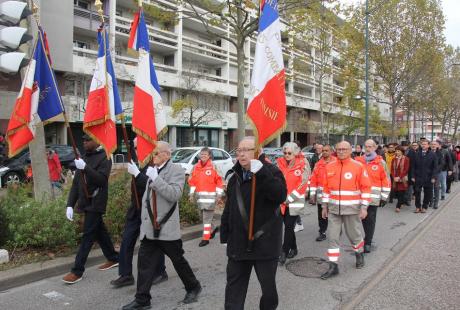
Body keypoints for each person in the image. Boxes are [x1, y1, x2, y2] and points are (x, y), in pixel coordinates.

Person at [122, 141, 202, 310]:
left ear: (167, 154)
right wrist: (138, 175)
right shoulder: (152, 169)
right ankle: (142, 300)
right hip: (150, 228)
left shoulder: (177, 170)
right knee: (144, 265)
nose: (153, 156)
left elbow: (174, 194)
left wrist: (155, 178)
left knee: (178, 261)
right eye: (153, 153)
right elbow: (147, 194)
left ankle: (193, 286)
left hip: (166, 228)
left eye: (157, 153)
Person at [221, 136, 287, 310]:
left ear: (258, 152)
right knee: (234, 288)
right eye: (239, 150)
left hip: (264, 244)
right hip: (238, 244)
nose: (241, 155)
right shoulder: (235, 176)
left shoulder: (272, 171)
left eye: (246, 150)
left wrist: (262, 172)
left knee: (268, 290)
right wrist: (225, 235)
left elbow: (280, 195)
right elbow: (230, 207)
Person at [110, 138, 167, 289]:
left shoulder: (154, 164)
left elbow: (152, 185)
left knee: (154, 242)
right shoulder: (138, 162)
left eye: (137, 147)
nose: (135, 150)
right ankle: (126, 275)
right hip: (135, 209)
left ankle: (161, 271)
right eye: (134, 148)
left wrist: (137, 174)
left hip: (149, 209)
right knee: (127, 241)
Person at [62, 134, 119, 284]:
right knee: (99, 231)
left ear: (97, 140)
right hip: (85, 201)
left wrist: (85, 168)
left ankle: (77, 271)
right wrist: (70, 204)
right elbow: (76, 184)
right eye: (83, 140)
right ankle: (113, 258)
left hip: (96, 201)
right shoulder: (84, 157)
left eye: (88, 140)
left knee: (88, 235)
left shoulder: (105, 157)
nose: (85, 142)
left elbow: (101, 180)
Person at [320, 141, 371, 280]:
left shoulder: (358, 166)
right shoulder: (329, 166)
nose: (341, 151)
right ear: (335, 151)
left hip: (352, 209)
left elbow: (366, 188)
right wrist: (324, 206)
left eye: (344, 149)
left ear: (350, 150)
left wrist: (364, 207)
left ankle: (359, 253)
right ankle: (333, 266)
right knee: (332, 237)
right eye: (338, 149)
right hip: (333, 210)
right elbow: (325, 188)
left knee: (354, 235)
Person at [356, 139, 391, 253]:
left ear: (375, 148)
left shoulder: (381, 163)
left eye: (370, 146)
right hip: (358, 197)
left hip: (373, 198)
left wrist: (384, 197)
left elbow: (386, 180)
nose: (367, 148)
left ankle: (368, 242)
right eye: (366, 146)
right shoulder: (357, 161)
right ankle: (361, 239)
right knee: (361, 219)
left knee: (370, 220)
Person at [276, 142, 309, 265]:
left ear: (295, 153)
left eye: (289, 153)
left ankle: (284, 251)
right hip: (282, 202)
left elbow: (303, 183)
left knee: (289, 226)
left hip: (294, 201)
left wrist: (289, 198)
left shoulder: (303, 163)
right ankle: (294, 248)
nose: (286, 155)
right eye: (284, 153)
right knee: (288, 226)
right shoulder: (279, 162)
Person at [188, 147, 224, 247]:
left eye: (205, 154)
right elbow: (192, 183)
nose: (203, 156)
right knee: (203, 218)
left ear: (209, 156)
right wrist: (191, 195)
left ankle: (205, 238)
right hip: (199, 199)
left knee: (206, 221)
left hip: (210, 199)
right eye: (202, 154)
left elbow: (220, 181)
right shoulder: (195, 167)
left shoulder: (214, 167)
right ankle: (212, 229)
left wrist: (219, 195)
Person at [309, 144, 336, 242]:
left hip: (334, 196)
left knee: (334, 215)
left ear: (331, 152)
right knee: (321, 216)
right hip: (321, 196)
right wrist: (312, 194)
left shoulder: (336, 163)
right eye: (323, 150)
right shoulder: (318, 164)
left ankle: (336, 230)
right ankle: (322, 232)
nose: (324, 152)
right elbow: (313, 180)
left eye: (326, 150)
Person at [411, 140, 437, 213]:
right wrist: (412, 176)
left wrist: (433, 177)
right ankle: (418, 207)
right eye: (422, 144)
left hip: (428, 177)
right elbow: (413, 166)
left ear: (428, 145)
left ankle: (425, 207)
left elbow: (435, 167)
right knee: (417, 192)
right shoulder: (417, 154)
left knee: (427, 193)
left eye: (425, 144)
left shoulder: (432, 154)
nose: (423, 145)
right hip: (418, 176)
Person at [391, 146, 410, 212]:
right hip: (395, 178)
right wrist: (394, 177)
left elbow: (406, 169)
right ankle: (401, 202)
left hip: (402, 178)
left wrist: (399, 177)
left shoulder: (406, 159)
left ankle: (398, 206)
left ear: (402, 152)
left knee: (401, 192)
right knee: (396, 192)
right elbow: (392, 169)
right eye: (396, 151)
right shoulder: (394, 159)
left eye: (398, 151)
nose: (397, 152)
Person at [430, 141, 444, 209]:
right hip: (428, 173)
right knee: (429, 188)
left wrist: (435, 171)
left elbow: (441, 164)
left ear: (437, 146)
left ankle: (436, 203)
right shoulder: (428, 152)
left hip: (437, 173)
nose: (433, 145)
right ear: (430, 145)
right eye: (432, 144)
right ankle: (431, 201)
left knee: (436, 188)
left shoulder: (440, 153)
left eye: (435, 144)